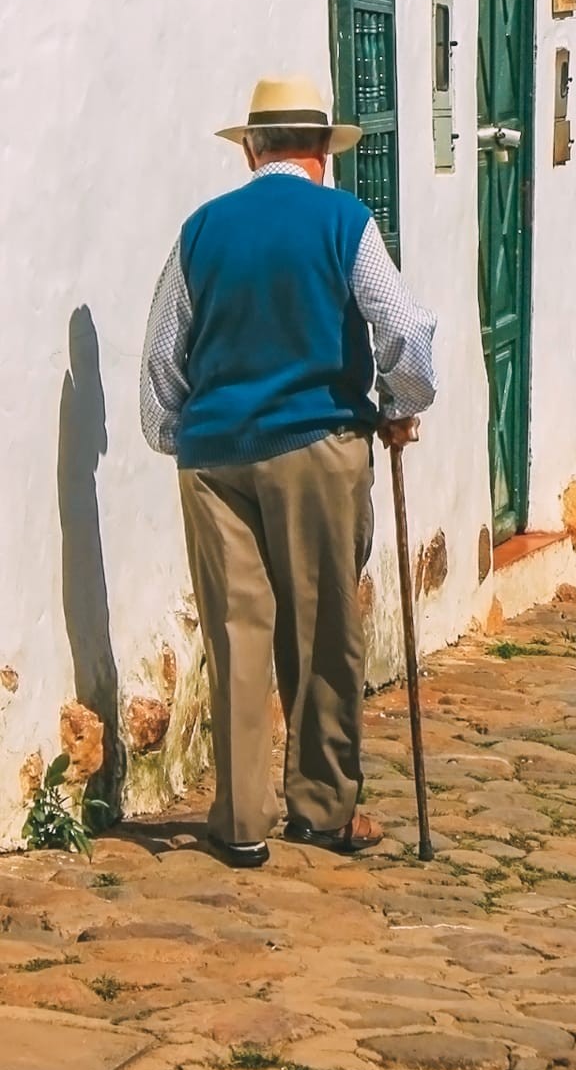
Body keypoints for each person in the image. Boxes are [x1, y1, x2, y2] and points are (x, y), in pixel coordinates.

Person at [141, 76, 435, 868]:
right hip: (315, 446)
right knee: (322, 630)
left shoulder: (201, 231)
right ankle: (323, 807)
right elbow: (402, 327)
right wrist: (402, 402)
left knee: (237, 634)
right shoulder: (344, 221)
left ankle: (240, 823)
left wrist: (183, 434)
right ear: (322, 155)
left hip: (214, 460)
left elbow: (164, 356)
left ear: (250, 150)